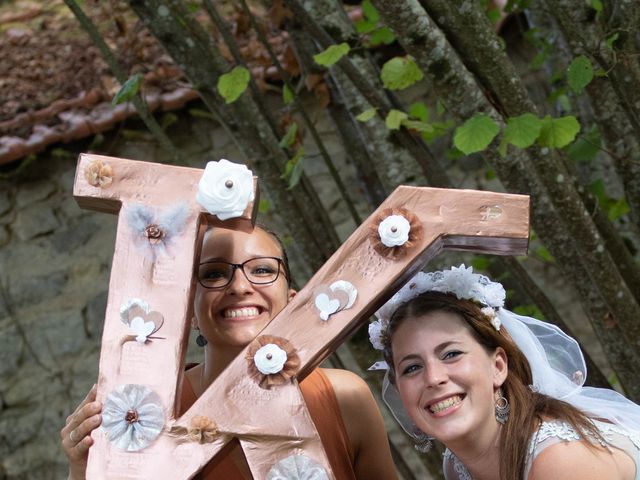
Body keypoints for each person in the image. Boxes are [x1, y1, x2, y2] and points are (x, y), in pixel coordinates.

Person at [61, 224, 397, 479]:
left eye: (262, 269)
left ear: (293, 300)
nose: (239, 286)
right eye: (214, 274)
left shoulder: (344, 397)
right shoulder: (149, 410)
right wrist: (86, 468)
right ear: (189, 313)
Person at [368, 265, 640, 480]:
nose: (433, 378)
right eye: (412, 367)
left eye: (451, 354)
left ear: (498, 366)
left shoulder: (563, 459)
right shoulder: (457, 465)